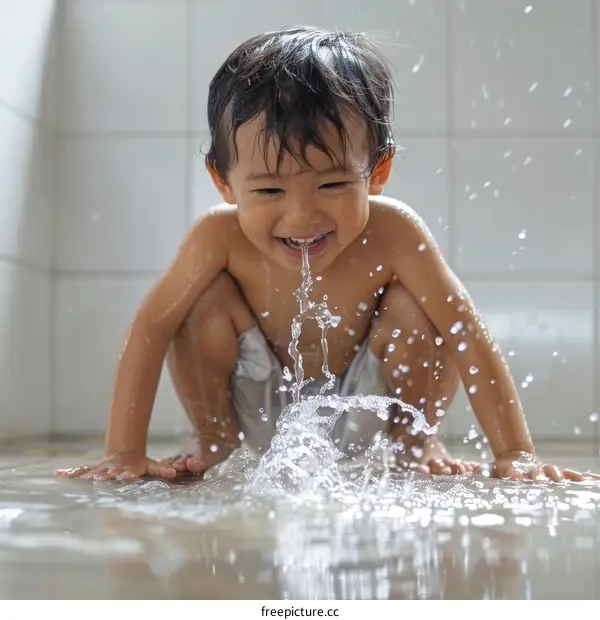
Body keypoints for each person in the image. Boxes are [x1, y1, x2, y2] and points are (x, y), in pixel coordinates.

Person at [57, 26, 598, 484]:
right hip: (258, 407)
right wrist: (123, 452)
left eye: (334, 184)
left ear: (377, 172)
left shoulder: (394, 230)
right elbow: (151, 328)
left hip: (367, 402)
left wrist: (514, 454)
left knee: (420, 307)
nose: (302, 217)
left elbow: (466, 332)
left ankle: (416, 447)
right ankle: (215, 447)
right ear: (223, 182)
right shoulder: (216, 237)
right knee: (198, 307)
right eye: (269, 191)